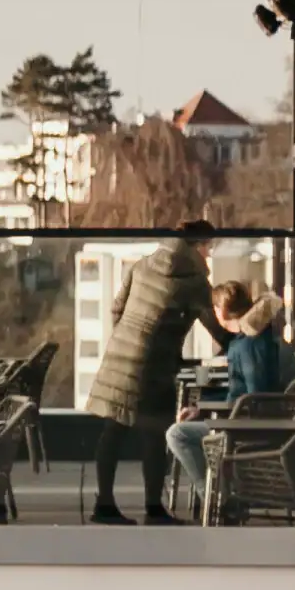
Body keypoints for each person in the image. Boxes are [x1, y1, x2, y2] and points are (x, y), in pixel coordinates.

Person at [79, 223, 221, 521]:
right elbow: (217, 331)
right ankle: (153, 507)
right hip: (156, 364)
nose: (210, 254)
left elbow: (117, 308)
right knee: (154, 433)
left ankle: (103, 504)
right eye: (209, 246)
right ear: (199, 246)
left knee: (113, 430)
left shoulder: (143, 265)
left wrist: (128, 338)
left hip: (120, 355)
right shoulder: (194, 281)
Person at [168, 284, 292, 522]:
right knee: (187, 431)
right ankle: (223, 494)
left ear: (222, 312)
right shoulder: (260, 336)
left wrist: (216, 414)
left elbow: (256, 397)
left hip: (246, 431)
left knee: (177, 435)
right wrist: (202, 409)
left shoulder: (246, 345)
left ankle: (218, 499)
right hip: (247, 421)